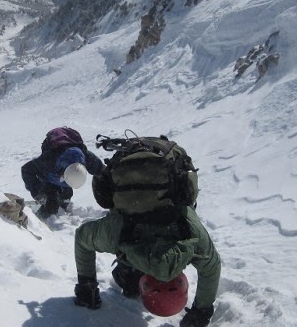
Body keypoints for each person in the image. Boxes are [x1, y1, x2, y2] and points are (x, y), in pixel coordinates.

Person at [72, 140, 221, 327]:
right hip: (147, 165)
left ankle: (128, 269)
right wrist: (202, 310)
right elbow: (212, 268)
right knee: (126, 278)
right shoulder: (117, 234)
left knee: (126, 279)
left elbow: (212, 268)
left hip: (151, 168)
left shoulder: (192, 237)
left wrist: (87, 284)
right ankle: (128, 268)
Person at [21, 127, 105, 219]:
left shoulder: (88, 158)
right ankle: (37, 221)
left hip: (65, 161)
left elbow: (103, 171)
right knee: (51, 203)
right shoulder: (48, 161)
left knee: (66, 195)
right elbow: (26, 170)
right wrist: (38, 192)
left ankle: (61, 203)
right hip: (53, 156)